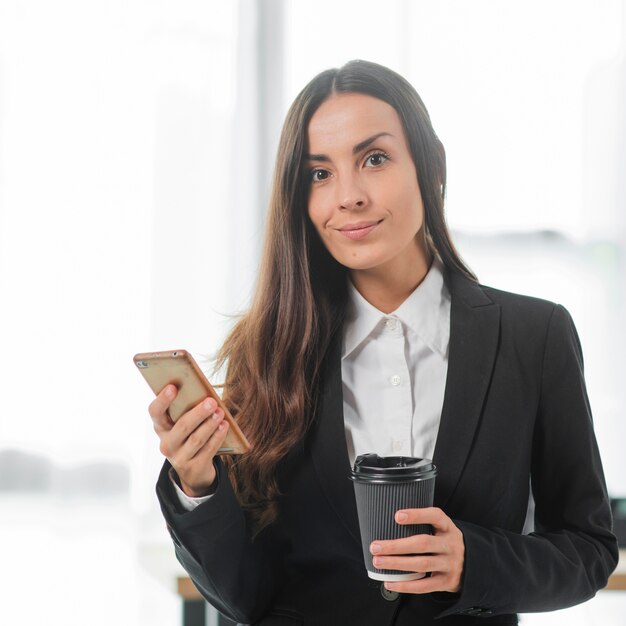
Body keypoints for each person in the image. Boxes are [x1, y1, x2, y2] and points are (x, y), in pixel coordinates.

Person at [148, 60, 618, 625]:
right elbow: (244, 594)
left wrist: (474, 561)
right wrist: (197, 485)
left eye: (374, 159)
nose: (348, 197)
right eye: (319, 174)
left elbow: (589, 552)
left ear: (431, 167)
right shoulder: (267, 349)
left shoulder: (533, 336)